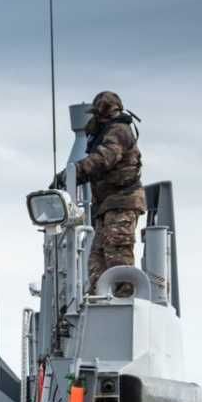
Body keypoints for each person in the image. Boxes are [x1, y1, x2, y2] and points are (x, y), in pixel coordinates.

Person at [64, 91, 144, 293]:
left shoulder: (119, 130)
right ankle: (100, 299)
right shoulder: (108, 131)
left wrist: (74, 173)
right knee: (97, 260)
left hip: (122, 202)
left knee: (117, 256)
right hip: (107, 205)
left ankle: (123, 299)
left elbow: (104, 158)